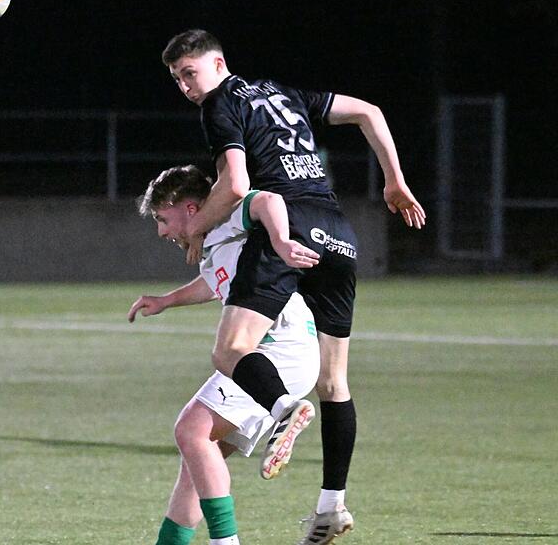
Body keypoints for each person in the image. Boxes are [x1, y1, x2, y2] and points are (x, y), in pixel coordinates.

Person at [161, 29, 426, 543]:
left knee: (230, 348)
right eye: (177, 79)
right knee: (335, 384)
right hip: (338, 232)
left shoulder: (220, 104)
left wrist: (196, 229)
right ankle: (332, 506)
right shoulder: (286, 95)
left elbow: (237, 185)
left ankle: (283, 407)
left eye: (190, 73)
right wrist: (394, 180)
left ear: (219, 64)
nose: (187, 87)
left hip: (289, 221)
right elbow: (369, 111)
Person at [128, 165, 321, 545]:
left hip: (274, 348)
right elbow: (212, 283)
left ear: (188, 208)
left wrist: (281, 240)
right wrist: (167, 300)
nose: (161, 231)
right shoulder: (211, 242)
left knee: (190, 430)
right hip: (281, 350)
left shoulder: (226, 215)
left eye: (162, 219)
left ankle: (225, 543)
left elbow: (266, 199)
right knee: (199, 458)